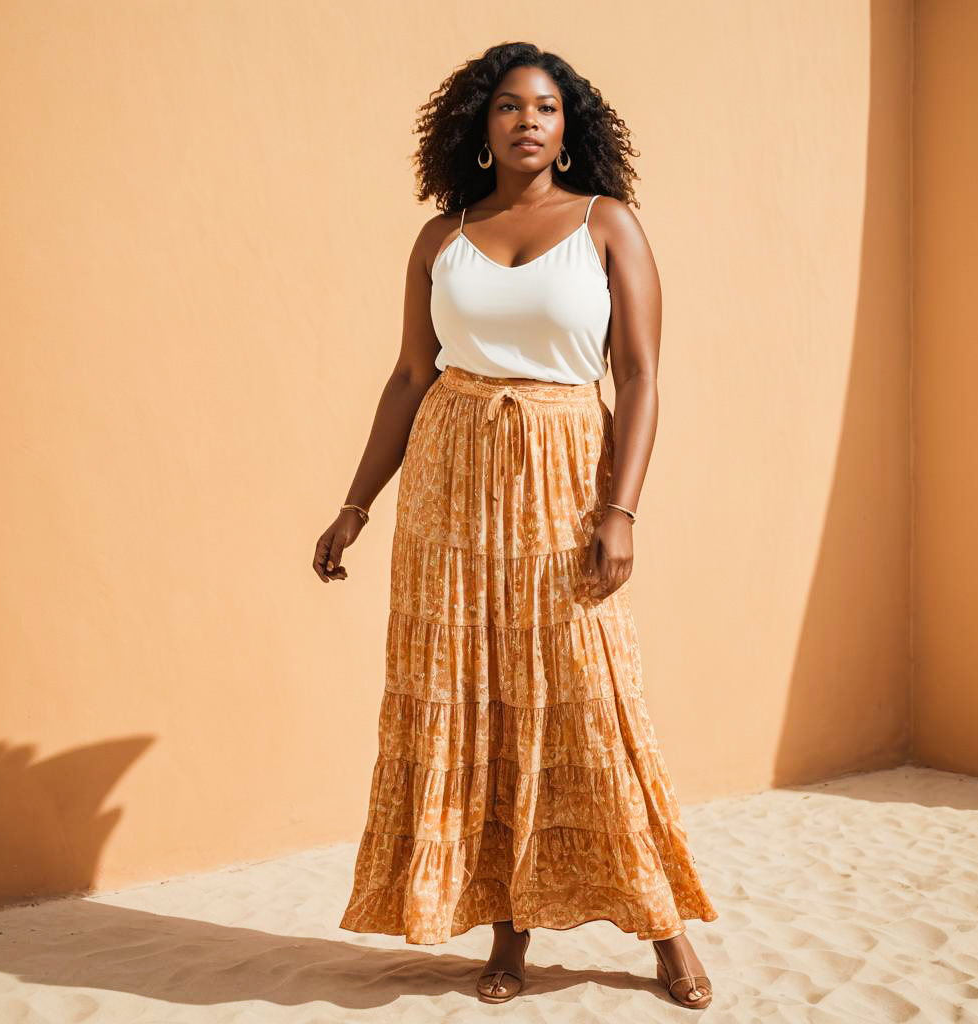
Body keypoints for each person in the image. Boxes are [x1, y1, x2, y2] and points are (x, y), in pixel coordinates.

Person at [314, 42, 718, 1009]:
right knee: (479, 702)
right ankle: (508, 935)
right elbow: (413, 377)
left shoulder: (608, 224)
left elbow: (641, 377)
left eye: (545, 106)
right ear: (481, 126)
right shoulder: (439, 238)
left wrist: (620, 508)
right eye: (507, 106)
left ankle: (664, 933)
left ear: (569, 126)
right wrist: (354, 505)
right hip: (451, 483)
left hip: (564, 473)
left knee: (585, 698)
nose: (527, 119)